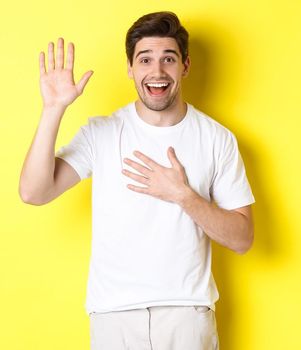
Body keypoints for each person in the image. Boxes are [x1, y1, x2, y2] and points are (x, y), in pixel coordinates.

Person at [19, 11, 255, 350]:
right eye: (145, 59)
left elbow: (243, 238)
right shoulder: (101, 133)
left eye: (168, 59)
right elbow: (33, 192)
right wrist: (53, 109)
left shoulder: (217, 139)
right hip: (113, 318)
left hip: (186, 316)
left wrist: (183, 196)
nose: (157, 72)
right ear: (130, 68)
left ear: (185, 66)